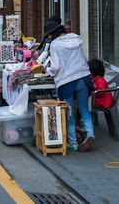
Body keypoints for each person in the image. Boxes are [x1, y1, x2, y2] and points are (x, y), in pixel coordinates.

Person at [45, 23, 94, 152]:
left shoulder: (55, 45)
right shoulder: (75, 38)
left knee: (70, 111)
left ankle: (72, 142)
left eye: (49, 35)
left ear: (52, 34)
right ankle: (90, 133)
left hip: (67, 81)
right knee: (84, 108)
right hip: (83, 76)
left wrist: (48, 70)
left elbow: (55, 67)